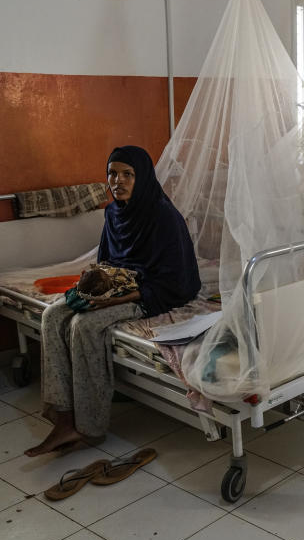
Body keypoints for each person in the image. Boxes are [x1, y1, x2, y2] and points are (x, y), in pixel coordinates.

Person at [26, 146, 201, 456]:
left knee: (85, 324)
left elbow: (177, 281)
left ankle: (90, 427)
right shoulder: (113, 212)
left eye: (127, 174)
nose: (117, 181)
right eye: (112, 173)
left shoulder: (163, 216)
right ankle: (64, 416)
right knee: (52, 315)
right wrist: (97, 289)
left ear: (142, 177)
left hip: (151, 292)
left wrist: (117, 300)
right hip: (115, 286)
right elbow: (106, 260)